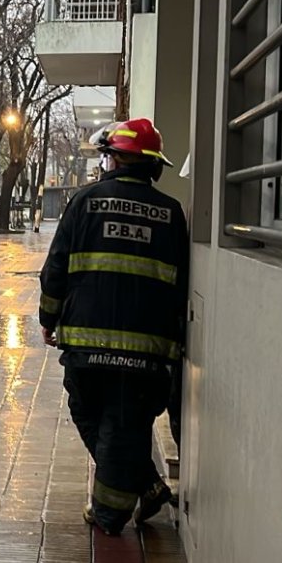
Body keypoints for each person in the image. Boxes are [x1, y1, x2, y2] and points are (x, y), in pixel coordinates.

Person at [38, 118, 189, 535]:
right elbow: (181, 283)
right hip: (149, 351)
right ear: (153, 166)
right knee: (123, 425)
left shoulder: (84, 201)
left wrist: (47, 319)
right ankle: (147, 486)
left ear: (116, 159)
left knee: (93, 414)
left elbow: (56, 270)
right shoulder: (172, 214)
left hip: (88, 344)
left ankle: (108, 516)